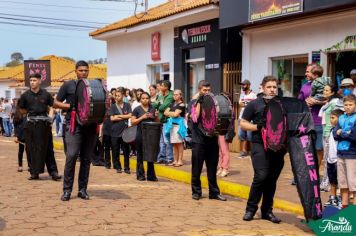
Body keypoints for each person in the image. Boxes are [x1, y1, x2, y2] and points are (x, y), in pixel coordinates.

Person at [240, 76, 285, 223]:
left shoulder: (282, 104)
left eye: (274, 87)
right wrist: (258, 127)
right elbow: (243, 124)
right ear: (263, 87)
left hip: (278, 147)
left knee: (271, 180)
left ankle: (267, 211)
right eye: (269, 87)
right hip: (259, 144)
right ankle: (250, 209)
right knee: (261, 176)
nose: (272, 89)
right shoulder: (254, 104)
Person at [55, 60, 98, 201]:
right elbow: (55, 102)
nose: (84, 73)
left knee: (86, 159)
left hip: (90, 126)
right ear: (75, 71)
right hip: (73, 125)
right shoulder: (68, 85)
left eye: (86, 70)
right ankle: (67, 190)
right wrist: (70, 106)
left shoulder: (93, 85)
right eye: (81, 70)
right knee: (72, 155)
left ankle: (82, 189)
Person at [188, 80, 226, 201]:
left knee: (212, 168)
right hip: (198, 140)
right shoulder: (193, 102)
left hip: (212, 140)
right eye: (204, 90)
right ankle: (196, 192)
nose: (207, 92)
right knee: (197, 168)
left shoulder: (214, 103)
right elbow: (195, 117)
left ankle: (214, 193)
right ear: (199, 90)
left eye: (209, 90)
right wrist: (199, 101)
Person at [19, 73, 61, 181]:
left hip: (44, 125)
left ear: (39, 81)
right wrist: (30, 114)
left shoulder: (46, 94)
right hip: (31, 125)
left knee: (48, 148)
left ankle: (53, 172)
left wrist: (50, 117)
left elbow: (53, 105)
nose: (32, 82)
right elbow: (21, 109)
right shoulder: (25, 95)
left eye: (34, 80)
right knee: (31, 148)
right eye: (31, 80)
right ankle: (34, 173)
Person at [298, 64, 325, 188]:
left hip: (320, 122)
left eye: (308, 72)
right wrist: (305, 103)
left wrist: (317, 101)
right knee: (306, 150)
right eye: (306, 71)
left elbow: (330, 100)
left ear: (315, 73)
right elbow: (299, 103)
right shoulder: (304, 86)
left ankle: (315, 176)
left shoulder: (324, 85)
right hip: (307, 123)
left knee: (319, 150)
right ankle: (303, 175)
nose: (306, 74)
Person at [318, 84, 343, 192]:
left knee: (329, 159)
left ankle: (328, 184)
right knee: (327, 159)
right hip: (325, 132)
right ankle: (327, 183)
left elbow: (339, 116)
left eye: (327, 90)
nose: (324, 92)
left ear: (332, 92)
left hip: (330, 134)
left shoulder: (335, 102)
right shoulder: (327, 103)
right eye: (324, 90)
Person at [333, 95, 356, 209]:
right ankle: (345, 206)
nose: (348, 107)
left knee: (353, 183)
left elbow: (354, 136)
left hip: (352, 155)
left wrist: (341, 133)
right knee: (343, 182)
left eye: (350, 105)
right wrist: (345, 133)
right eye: (345, 105)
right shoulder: (341, 117)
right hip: (340, 153)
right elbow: (334, 134)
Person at [131, 92, 158, 181]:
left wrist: (157, 116)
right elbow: (133, 122)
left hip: (151, 135)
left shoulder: (152, 108)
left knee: (150, 155)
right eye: (143, 98)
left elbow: (157, 121)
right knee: (140, 155)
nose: (145, 100)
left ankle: (151, 176)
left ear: (149, 99)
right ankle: (140, 175)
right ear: (140, 99)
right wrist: (142, 117)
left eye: (147, 98)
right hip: (140, 134)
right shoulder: (136, 109)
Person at [324, 109, 344, 208]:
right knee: (332, 181)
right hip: (330, 160)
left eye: (333, 118)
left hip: (338, 159)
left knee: (340, 182)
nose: (331, 120)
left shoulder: (340, 131)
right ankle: (333, 198)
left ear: (340, 119)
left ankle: (341, 199)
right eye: (330, 118)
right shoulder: (332, 130)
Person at [110, 90, 132, 174]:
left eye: (119, 95)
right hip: (115, 132)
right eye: (116, 96)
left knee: (126, 151)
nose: (117, 97)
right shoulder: (113, 106)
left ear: (122, 96)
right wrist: (124, 117)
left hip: (125, 132)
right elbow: (112, 118)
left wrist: (118, 116)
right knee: (115, 151)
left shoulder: (127, 105)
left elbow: (130, 115)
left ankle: (127, 168)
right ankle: (118, 167)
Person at [153, 80, 174, 165]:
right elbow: (154, 105)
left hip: (167, 121)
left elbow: (162, 107)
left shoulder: (170, 96)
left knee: (167, 141)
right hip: (160, 120)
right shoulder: (160, 95)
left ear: (166, 87)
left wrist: (159, 104)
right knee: (161, 141)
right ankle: (161, 157)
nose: (160, 87)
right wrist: (159, 103)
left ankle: (169, 158)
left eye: (161, 86)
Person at [164, 89, 186, 167]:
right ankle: (175, 160)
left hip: (179, 126)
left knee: (179, 143)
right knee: (174, 144)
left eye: (176, 94)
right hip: (172, 126)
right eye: (174, 94)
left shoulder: (182, 104)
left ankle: (180, 160)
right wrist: (172, 114)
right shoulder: (172, 104)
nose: (175, 96)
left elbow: (176, 114)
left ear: (180, 95)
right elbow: (165, 112)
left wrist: (171, 114)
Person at [238, 80, 256, 158]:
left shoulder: (253, 95)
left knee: (250, 136)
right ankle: (244, 151)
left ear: (248, 85)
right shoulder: (242, 95)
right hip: (241, 118)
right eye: (242, 85)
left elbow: (254, 105)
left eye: (244, 85)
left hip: (250, 119)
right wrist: (248, 104)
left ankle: (253, 151)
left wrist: (246, 104)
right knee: (241, 135)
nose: (242, 86)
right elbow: (240, 104)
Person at [13, 100, 28, 172]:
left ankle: (30, 165)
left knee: (29, 151)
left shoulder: (28, 111)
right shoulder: (17, 113)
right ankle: (20, 166)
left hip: (28, 134)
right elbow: (15, 125)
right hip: (20, 134)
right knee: (21, 150)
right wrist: (16, 136)